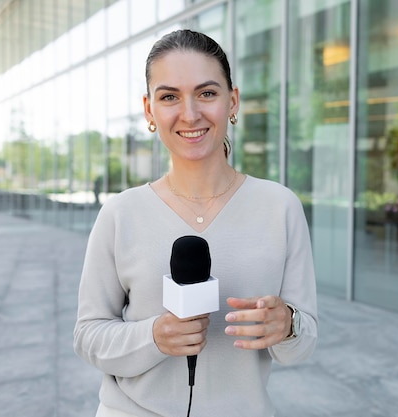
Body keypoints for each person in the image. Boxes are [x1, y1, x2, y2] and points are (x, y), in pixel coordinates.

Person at [73, 29, 317, 417]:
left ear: (232, 101)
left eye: (207, 93)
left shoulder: (280, 207)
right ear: (150, 111)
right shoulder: (120, 214)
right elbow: (88, 336)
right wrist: (153, 336)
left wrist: (287, 324)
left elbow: (303, 343)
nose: (190, 114)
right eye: (169, 97)